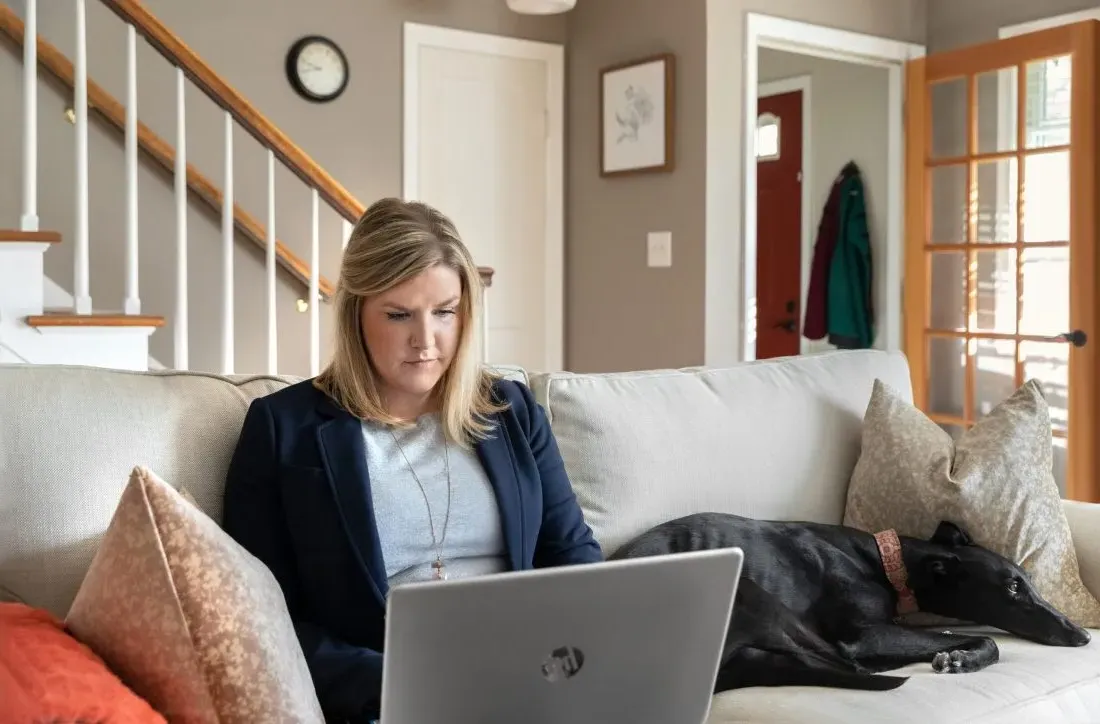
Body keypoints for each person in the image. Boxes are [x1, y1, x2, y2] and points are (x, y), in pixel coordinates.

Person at [221, 197, 603, 723]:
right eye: (399, 315)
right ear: (357, 313)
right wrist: (398, 684)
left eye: (444, 312)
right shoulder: (284, 429)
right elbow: (261, 617)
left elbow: (574, 560)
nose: (426, 341)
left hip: (526, 682)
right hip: (389, 696)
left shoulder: (512, 412)